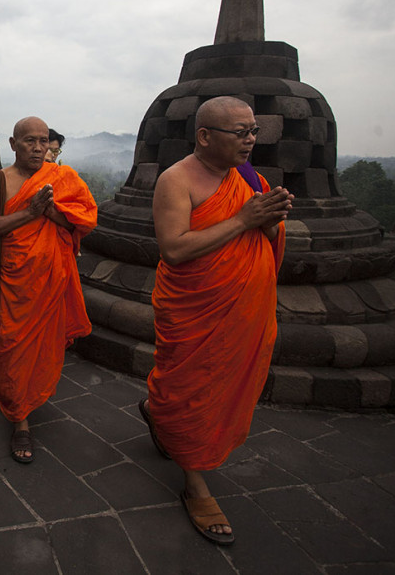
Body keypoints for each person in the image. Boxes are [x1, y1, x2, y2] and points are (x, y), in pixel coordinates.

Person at [141, 96, 291, 545]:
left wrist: (270, 219)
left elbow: (263, 234)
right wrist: (246, 218)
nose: (249, 141)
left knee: (219, 387)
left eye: (253, 131)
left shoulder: (249, 178)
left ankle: (158, 415)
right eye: (239, 132)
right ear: (205, 136)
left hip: (243, 309)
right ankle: (196, 483)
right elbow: (175, 248)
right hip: (195, 311)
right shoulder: (176, 180)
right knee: (191, 387)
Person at [0, 116, 97, 464]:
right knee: (12, 349)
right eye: (30, 141)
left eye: (44, 141)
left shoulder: (62, 178)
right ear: (13, 144)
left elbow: (85, 220)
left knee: (43, 352)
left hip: (52, 283)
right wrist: (29, 213)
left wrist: (51, 211)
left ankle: (26, 402)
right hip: (13, 283)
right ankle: (20, 420)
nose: (39, 148)